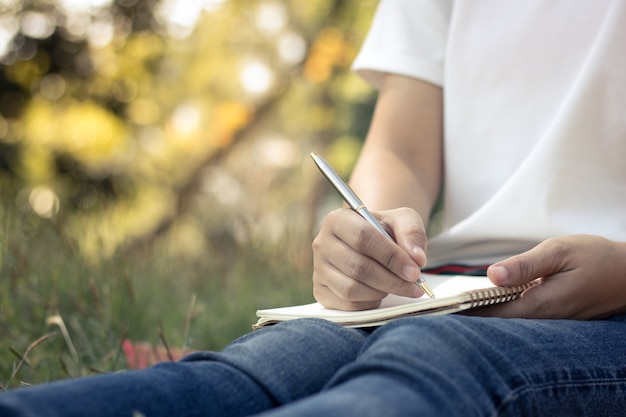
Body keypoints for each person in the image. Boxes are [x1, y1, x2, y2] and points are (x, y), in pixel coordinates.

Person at [2, 1, 626, 416]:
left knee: (435, 363)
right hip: (445, 290)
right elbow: (404, 143)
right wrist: (373, 226)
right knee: (262, 366)